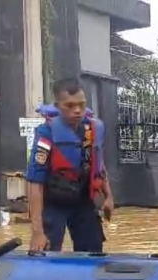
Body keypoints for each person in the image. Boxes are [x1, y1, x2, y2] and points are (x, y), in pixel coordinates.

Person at [26, 78, 114, 252]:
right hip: (54, 201)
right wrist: (37, 231)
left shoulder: (92, 130)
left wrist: (109, 196)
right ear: (57, 106)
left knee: (93, 249)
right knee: (46, 249)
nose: (77, 111)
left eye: (82, 105)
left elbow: (99, 165)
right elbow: (35, 182)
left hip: (83, 200)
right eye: (70, 105)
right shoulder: (46, 133)